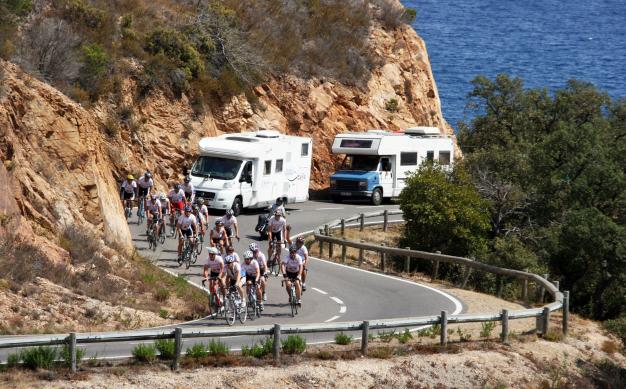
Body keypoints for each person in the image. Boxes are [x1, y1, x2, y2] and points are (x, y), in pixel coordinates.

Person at [203, 247, 225, 315]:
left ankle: (225, 297)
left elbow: (222, 269)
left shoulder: (219, 259)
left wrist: (219, 277)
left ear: (215, 254)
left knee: (220, 284)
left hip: (221, 272)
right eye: (210, 254)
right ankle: (212, 298)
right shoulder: (207, 259)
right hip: (213, 273)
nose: (211, 256)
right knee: (211, 285)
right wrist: (206, 277)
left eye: (212, 254)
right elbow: (206, 270)